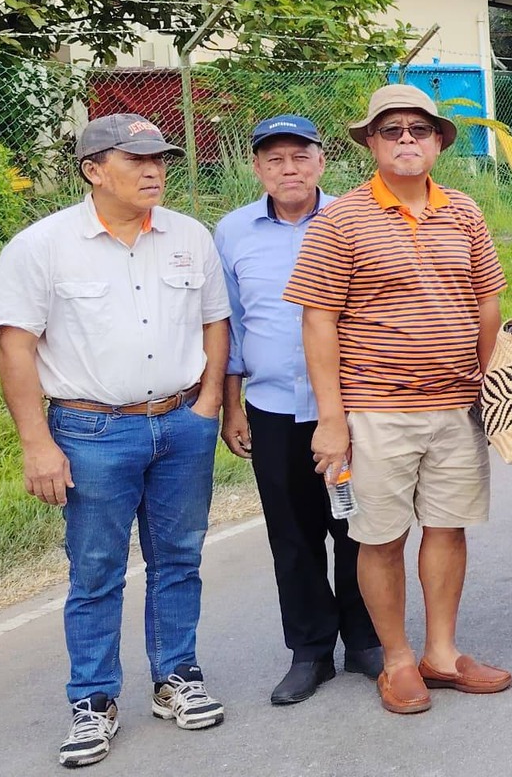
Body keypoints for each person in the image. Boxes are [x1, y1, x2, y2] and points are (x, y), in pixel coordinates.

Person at [0, 114, 232, 768]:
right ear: (93, 170)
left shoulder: (189, 236)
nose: (154, 171)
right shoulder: (42, 247)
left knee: (179, 559)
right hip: (91, 431)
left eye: (160, 159)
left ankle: (177, 678)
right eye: (136, 160)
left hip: (181, 424)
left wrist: (207, 405)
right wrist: (37, 444)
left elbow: (215, 321)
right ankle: (93, 701)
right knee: (96, 571)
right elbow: (14, 347)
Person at [284, 85, 509, 716]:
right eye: (391, 130)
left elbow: (488, 301)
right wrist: (332, 420)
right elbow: (318, 321)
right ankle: (398, 660)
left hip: (457, 406)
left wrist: (491, 388)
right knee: (380, 538)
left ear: (438, 142)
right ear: (371, 143)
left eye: (419, 129)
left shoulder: (464, 211)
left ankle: (442, 653)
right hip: (376, 409)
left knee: (447, 528)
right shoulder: (341, 220)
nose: (406, 139)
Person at [213, 115, 382, 707]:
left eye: (300, 156)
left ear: (321, 162)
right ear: (257, 167)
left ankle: (367, 641)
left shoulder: (354, 218)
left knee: (359, 526)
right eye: (275, 159)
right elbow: (229, 326)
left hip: (353, 404)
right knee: (292, 533)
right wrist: (231, 406)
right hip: (273, 407)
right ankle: (310, 650)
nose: (289, 169)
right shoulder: (232, 232)